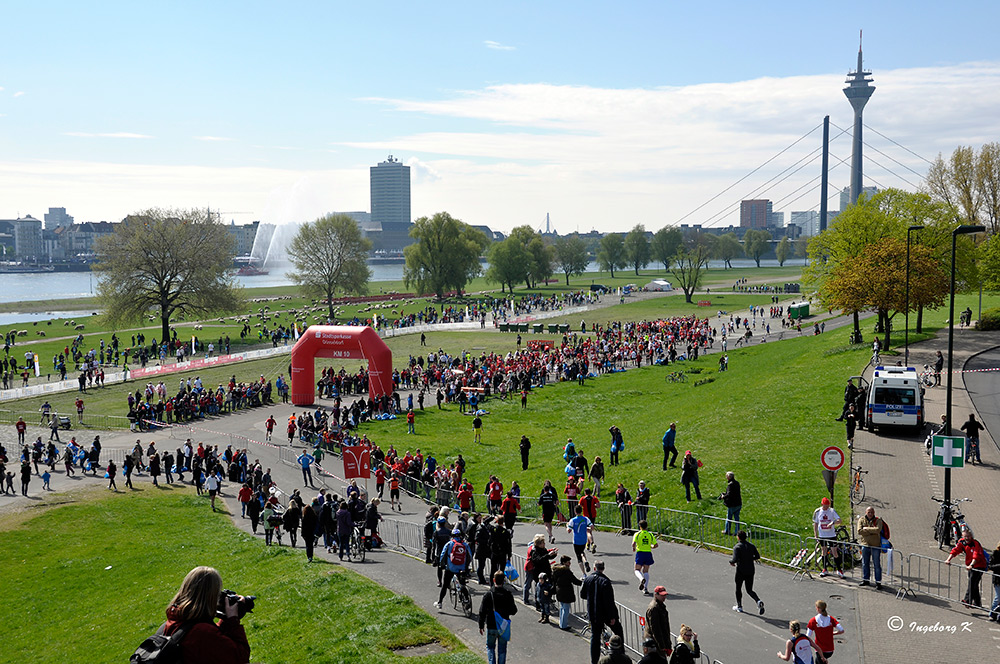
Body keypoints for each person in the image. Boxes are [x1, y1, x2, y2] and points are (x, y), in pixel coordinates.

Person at [160, 566, 251, 664]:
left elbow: (212, 641)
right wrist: (233, 621)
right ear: (211, 596)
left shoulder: (176, 619)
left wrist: (225, 619)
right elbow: (241, 658)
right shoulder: (202, 632)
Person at [581, 560, 623, 664]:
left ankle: (594, 661)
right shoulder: (605, 581)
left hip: (593, 613)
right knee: (618, 632)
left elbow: (582, 594)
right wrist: (612, 616)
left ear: (594, 568)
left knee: (595, 637)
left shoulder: (588, 579)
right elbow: (609, 601)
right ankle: (620, 655)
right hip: (605, 614)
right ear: (603, 569)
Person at [945, 525, 989, 607]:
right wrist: (948, 559)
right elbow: (955, 550)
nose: (967, 538)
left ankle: (967, 600)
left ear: (971, 536)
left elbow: (976, 556)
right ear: (962, 536)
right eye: (965, 536)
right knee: (974, 584)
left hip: (979, 565)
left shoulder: (975, 543)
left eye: (968, 536)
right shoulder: (962, 542)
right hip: (970, 565)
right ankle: (977, 603)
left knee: (972, 583)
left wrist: (971, 565)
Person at [479, 570, 517, 664]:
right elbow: (514, 611)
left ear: (493, 580)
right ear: (503, 581)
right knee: (502, 649)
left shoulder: (488, 594)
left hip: (491, 625)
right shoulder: (508, 594)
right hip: (503, 626)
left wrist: (481, 625)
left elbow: (482, 611)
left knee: (490, 647)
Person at [730, 530, 764, 614]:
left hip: (741, 570)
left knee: (738, 588)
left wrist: (731, 562)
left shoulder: (737, 547)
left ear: (738, 537)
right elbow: (757, 556)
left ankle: (739, 606)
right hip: (750, 570)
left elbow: (734, 559)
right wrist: (750, 558)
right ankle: (758, 601)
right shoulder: (751, 546)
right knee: (749, 589)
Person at [435, 528, 469, 610]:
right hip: (462, 568)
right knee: (463, 584)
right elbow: (470, 556)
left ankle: (440, 602)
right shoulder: (465, 544)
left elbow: (442, 555)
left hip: (450, 568)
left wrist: (441, 565)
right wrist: (466, 566)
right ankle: (466, 600)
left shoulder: (449, 544)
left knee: (445, 585)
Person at [812, 497, 842, 578]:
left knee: (834, 552)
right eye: (825, 506)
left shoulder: (831, 511)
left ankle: (839, 570)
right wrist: (816, 535)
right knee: (823, 551)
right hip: (822, 535)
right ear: (822, 504)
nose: (826, 507)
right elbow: (815, 523)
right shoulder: (817, 512)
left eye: (827, 506)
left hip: (831, 535)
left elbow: (839, 520)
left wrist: (833, 523)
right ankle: (824, 569)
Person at [856, 506, 884, 589]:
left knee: (877, 564)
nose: (870, 514)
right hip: (865, 545)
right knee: (865, 563)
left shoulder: (878, 520)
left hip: (876, 546)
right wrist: (872, 531)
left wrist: (866, 529)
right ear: (866, 512)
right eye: (869, 512)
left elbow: (878, 530)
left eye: (872, 512)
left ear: (874, 513)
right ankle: (866, 580)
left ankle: (878, 582)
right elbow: (859, 531)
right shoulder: (861, 520)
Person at [551, 554, 582, 630]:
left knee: (562, 608)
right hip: (566, 592)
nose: (570, 563)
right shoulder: (566, 571)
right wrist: (582, 582)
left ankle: (562, 623)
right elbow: (574, 580)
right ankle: (563, 625)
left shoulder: (556, 570)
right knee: (566, 609)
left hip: (559, 591)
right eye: (568, 562)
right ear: (564, 563)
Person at [644, 585, 672, 660]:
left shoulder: (660, 605)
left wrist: (668, 645)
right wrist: (662, 646)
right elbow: (655, 629)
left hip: (659, 641)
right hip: (654, 643)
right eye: (662, 595)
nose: (664, 597)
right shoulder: (654, 608)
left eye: (665, 595)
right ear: (656, 595)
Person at [632, 519, 658, 595]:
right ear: (646, 526)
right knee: (646, 571)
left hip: (640, 553)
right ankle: (645, 588)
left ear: (640, 526)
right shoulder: (650, 534)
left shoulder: (637, 534)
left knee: (637, 569)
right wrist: (651, 546)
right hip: (648, 553)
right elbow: (656, 545)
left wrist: (634, 548)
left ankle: (641, 579)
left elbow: (633, 543)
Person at [568, 505, 594, 574]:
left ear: (575, 512)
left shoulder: (573, 520)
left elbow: (569, 530)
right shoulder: (585, 519)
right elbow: (592, 526)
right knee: (582, 552)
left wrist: (567, 526)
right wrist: (587, 528)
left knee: (578, 557)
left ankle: (584, 573)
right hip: (584, 540)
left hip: (576, 540)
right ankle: (585, 561)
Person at [988, 539, 1000, 622]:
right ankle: (992, 613)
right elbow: (990, 566)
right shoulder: (995, 553)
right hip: (998, 579)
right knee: (998, 598)